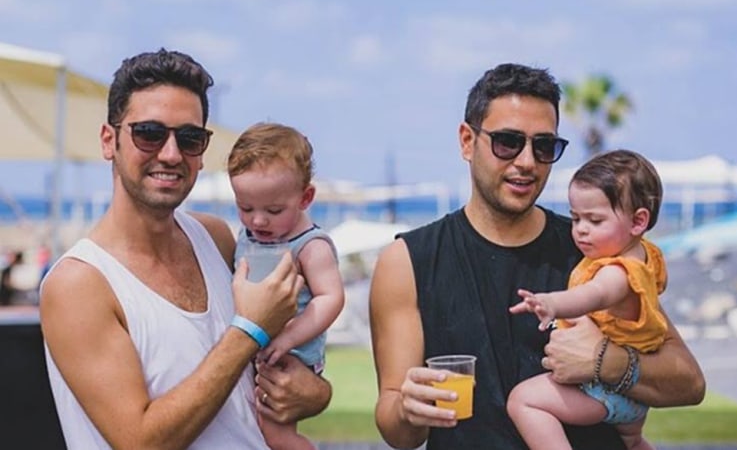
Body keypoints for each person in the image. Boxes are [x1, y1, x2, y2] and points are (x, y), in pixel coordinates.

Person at [369, 62, 706, 449]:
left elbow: (689, 382)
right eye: (507, 142)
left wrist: (606, 361)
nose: (527, 161)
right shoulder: (408, 260)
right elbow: (396, 430)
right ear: (467, 141)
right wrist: (408, 408)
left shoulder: (594, 250)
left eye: (544, 146)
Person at [40, 48, 331, 449]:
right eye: (149, 133)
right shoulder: (79, 283)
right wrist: (249, 330)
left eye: (190, 138)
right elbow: (141, 442)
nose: (171, 153)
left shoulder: (216, 237)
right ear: (110, 141)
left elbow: (264, 389)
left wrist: (314, 393)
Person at [508, 149, 668, 450]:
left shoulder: (618, 273)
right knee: (632, 443)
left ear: (638, 222)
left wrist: (551, 303)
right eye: (575, 217)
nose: (580, 230)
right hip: (635, 398)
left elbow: (592, 295)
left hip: (603, 391)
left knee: (523, 402)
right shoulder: (648, 257)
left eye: (594, 220)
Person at [227, 122, 345, 449]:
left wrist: (290, 336)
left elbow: (331, 297)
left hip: (290, 355)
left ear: (305, 197)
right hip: (256, 348)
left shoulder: (310, 245)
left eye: (274, 210)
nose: (258, 221)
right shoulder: (247, 235)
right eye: (245, 208)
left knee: (275, 434)